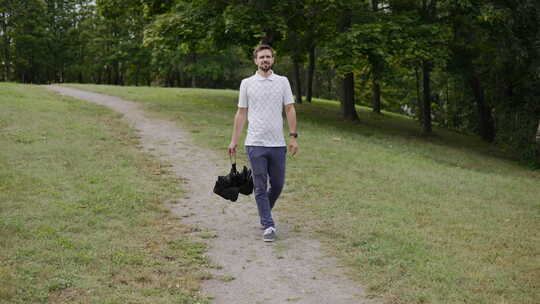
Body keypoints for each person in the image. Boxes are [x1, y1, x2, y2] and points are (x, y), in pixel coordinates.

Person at [228, 44, 298, 242]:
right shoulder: (247, 83)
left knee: (277, 185)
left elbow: (290, 109)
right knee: (260, 185)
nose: (265, 60)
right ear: (255, 61)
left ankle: (264, 209)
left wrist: (293, 136)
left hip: (278, 144)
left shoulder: (282, 82)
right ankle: (268, 224)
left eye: (268, 57)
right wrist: (234, 140)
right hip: (255, 143)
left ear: (273, 60)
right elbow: (241, 113)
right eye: (261, 57)